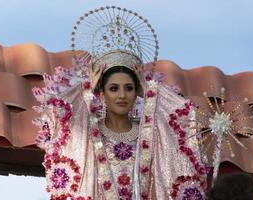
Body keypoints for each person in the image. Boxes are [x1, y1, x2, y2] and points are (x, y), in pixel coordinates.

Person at [32, 6, 208, 200]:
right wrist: (88, 89)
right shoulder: (87, 134)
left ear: (138, 92)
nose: (122, 95)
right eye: (114, 88)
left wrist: (151, 92)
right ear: (102, 93)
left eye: (130, 88)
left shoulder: (151, 134)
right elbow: (57, 112)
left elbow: (182, 117)